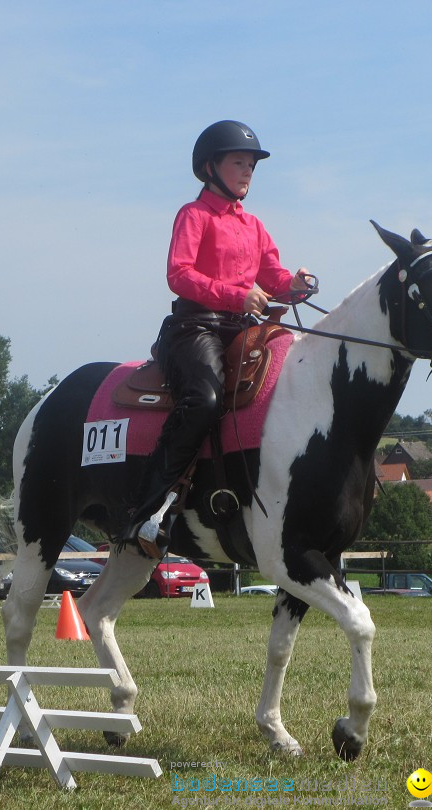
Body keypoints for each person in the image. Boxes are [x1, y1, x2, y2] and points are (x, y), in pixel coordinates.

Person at [124, 120, 313, 558]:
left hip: (242, 328)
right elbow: (179, 275)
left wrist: (294, 286)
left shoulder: (255, 226)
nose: (247, 171)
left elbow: (273, 277)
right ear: (210, 167)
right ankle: (148, 508)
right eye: (239, 163)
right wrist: (236, 295)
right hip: (196, 326)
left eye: (251, 165)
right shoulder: (193, 215)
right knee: (205, 400)